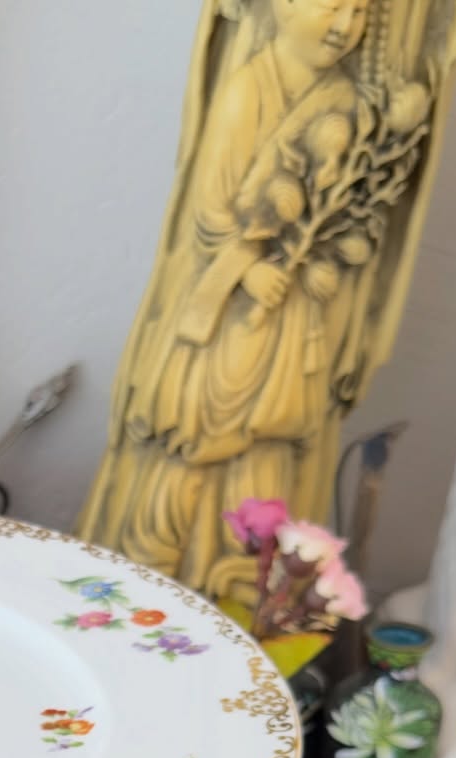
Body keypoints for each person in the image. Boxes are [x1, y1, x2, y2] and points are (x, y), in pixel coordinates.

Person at [78, 0, 379, 604]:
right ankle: (149, 581)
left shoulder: (349, 104)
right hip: (228, 304)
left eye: (359, 11)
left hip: (293, 313)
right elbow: (211, 208)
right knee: (190, 434)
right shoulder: (247, 90)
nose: (345, 26)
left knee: (266, 443)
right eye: (331, 6)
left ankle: (240, 588)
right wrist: (248, 270)